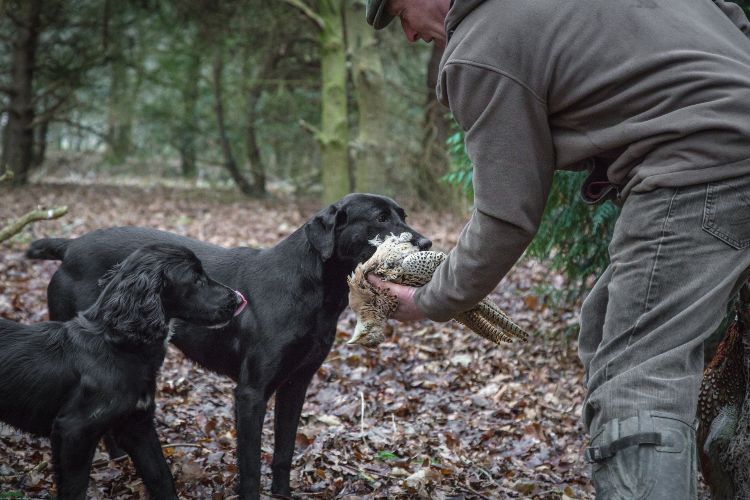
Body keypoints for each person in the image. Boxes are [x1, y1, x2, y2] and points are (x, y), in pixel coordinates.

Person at [365, 0, 750, 498]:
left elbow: (507, 216)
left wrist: (426, 302)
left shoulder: (481, 47)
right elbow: (731, 16)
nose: (411, 36)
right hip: (723, 152)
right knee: (603, 321)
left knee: (636, 380)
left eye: (400, 15)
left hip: (700, 169)